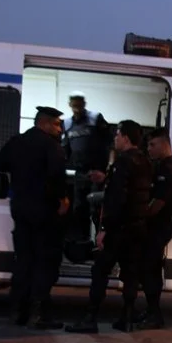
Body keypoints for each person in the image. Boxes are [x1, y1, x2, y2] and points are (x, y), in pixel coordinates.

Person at [66, 119, 153, 334]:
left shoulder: (122, 162)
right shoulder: (145, 162)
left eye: (118, 134)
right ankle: (127, 319)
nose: (115, 138)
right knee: (130, 274)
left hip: (119, 229)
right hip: (137, 227)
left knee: (100, 271)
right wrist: (107, 178)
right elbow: (134, 190)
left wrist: (104, 229)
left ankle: (90, 318)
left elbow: (116, 200)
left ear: (125, 137)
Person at [0, 106, 69, 329]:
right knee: (44, 261)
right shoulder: (51, 146)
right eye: (56, 124)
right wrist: (63, 199)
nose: (59, 129)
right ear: (43, 123)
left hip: (20, 208)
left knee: (23, 260)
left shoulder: (17, 142)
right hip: (43, 211)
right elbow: (56, 176)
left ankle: (17, 312)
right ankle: (39, 314)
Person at [138, 128, 172, 330]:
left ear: (165, 145)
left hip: (159, 225)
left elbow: (158, 203)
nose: (149, 149)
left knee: (151, 269)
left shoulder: (168, 170)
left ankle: (154, 314)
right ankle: (150, 311)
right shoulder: (162, 166)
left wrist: (139, 215)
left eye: (152, 145)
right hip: (157, 225)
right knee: (150, 268)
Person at [61, 91, 111, 243]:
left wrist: (107, 168)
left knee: (96, 208)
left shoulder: (95, 118)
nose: (77, 107)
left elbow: (110, 142)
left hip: (97, 171)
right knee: (79, 209)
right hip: (79, 173)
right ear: (70, 104)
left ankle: (99, 241)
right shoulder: (67, 124)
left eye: (80, 103)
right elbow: (65, 148)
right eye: (74, 103)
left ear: (84, 103)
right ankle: (83, 242)